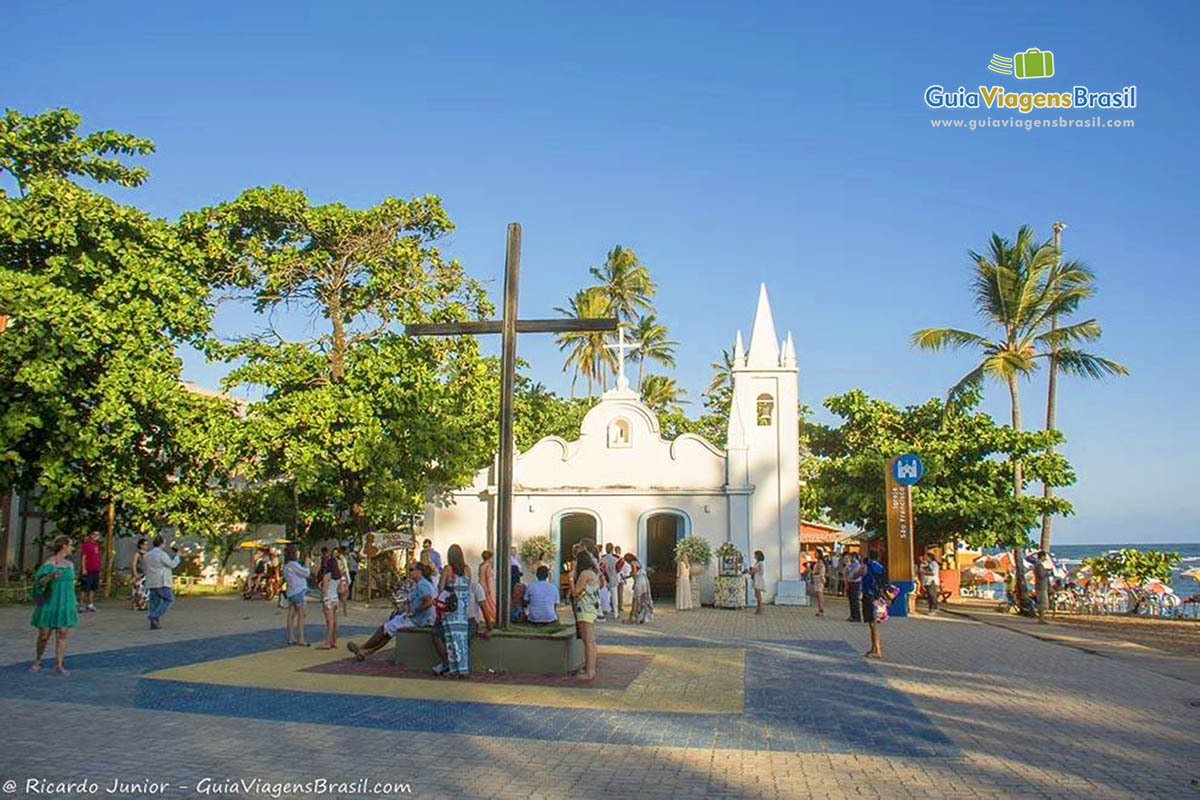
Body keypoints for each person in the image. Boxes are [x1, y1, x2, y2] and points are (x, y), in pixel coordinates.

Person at [348, 563, 436, 661]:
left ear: (419, 572)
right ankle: (367, 651)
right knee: (390, 631)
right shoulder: (423, 583)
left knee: (385, 628)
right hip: (422, 618)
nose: (409, 572)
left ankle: (363, 647)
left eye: (411, 570)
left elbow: (428, 602)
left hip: (419, 619)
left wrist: (413, 611)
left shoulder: (422, 584)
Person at [30, 535, 79, 674]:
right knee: (44, 635)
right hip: (49, 602)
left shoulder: (70, 565)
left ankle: (59, 664)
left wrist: (73, 602)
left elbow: (71, 586)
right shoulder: (49, 563)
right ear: (63, 546)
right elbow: (39, 583)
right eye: (70, 545)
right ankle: (38, 659)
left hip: (65, 602)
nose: (72, 548)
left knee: (62, 633)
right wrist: (50, 576)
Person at [433, 544, 471, 678]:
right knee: (462, 639)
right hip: (463, 609)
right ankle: (464, 669)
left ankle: (454, 670)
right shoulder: (467, 570)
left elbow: (441, 587)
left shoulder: (448, 569)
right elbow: (468, 587)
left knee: (451, 639)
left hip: (450, 609)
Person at [571, 548, 601, 680]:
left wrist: (571, 579)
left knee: (588, 641)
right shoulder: (593, 573)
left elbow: (575, 592)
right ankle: (590, 668)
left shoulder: (584, 574)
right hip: (591, 608)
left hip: (585, 609)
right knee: (590, 641)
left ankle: (590, 671)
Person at [143, 536, 181, 630]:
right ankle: (154, 616)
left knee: (154, 602)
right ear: (162, 544)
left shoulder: (147, 555)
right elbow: (172, 565)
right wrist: (177, 557)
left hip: (151, 581)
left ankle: (154, 622)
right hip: (162, 581)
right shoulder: (162, 554)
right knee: (169, 599)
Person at [282, 544, 311, 646]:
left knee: (291, 615)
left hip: (291, 592)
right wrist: (307, 564)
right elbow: (306, 573)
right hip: (299, 592)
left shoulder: (286, 566)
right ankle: (301, 638)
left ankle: (291, 637)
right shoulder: (293, 564)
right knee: (301, 615)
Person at [862, 550, 887, 659]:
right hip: (878, 596)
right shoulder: (881, 567)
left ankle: (877, 648)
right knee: (875, 622)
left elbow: (857, 574)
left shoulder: (867, 566)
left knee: (872, 624)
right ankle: (874, 647)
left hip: (868, 595)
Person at [315, 547, 341, 649]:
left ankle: (328, 642)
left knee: (329, 622)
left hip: (328, 599)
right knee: (335, 621)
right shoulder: (338, 576)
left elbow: (324, 590)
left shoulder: (327, 576)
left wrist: (320, 586)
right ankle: (334, 641)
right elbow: (339, 589)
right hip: (335, 598)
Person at [78, 530, 102, 613]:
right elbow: (83, 557)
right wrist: (83, 568)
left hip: (96, 569)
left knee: (93, 587)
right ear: (91, 535)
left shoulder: (97, 545)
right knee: (85, 587)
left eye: (97, 535)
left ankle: (90, 604)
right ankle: (81, 605)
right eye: (94, 534)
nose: (96, 536)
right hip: (88, 569)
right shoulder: (86, 544)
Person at [628, 555, 654, 624]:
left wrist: (629, 575)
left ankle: (633, 617)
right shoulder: (638, 562)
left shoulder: (632, 563)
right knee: (644, 598)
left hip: (639, 581)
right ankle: (643, 617)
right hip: (645, 580)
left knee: (636, 599)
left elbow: (634, 573)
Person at [600, 543, 620, 620]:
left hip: (605, 579)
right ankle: (616, 613)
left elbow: (601, 569)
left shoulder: (602, 558)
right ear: (612, 549)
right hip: (614, 579)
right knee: (614, 597)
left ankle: (603, 611)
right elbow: (618, 569)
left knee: (604, 596)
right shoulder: (616, 559)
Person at [478, 550, 497, 627]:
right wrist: (489, 588)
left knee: (484, 602)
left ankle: (483, 616)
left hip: (481, 585)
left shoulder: (481, 565)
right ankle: (492, 617)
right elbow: (488, 577)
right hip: (487, 586)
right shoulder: (488, 566)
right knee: (491, 603)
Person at [130, 538, 150, 611]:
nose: (146, 546)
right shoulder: (137, 554)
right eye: (144, 544)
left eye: (147, 544)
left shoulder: (147, 553)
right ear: (140, 545)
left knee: (145, 591)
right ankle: (136, 605)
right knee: (138, 590)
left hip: (146, 574)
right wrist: (135, 574)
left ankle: (143, 605)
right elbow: (133, 564)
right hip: (139, 574)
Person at [845, 552, 864, 622]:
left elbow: (853, 574)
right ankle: (852, 615)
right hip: (850, 582)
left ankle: (856, 616)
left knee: (854, 599)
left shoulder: (857, 565)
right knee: (851, 600)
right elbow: (846, 572)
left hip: (855, 583)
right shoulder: (851, 565)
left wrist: (849, 572)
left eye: (851, 557)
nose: (850, 558)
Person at [1034, 550, 1050, 623]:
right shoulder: (1039, 565)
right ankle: (1041, 618)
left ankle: (1041, 618)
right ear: (1042, 556)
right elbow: (1041, 576)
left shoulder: (1037, 565)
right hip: (1041, 586)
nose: (1045, 558)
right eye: (1044, 557)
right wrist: (1046, 573)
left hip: (1040, 585)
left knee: (1041, 602)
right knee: (1043, 602)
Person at [334, 546, 351, 616]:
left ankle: (343, 610)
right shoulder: (341, 559)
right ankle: (342, 610)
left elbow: (344, 570)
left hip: (341, 578)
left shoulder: (341, 559)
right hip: (338, 579)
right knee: (339, 596)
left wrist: (347, 580)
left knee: (342, 596)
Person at [810, 549, 827, 617]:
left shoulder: (820, 562)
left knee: (820, 595)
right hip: (816, 580)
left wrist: (814, 573)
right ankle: (820, 608)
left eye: (816, 553)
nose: (815, 554)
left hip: (819, 579)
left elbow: (821, 572)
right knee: (818, 595)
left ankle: (821, 609)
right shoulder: (818, 562)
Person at [750, 550, 766, 614]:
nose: (754, 556)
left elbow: (761, 572)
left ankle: (759, 607)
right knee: (756, 594)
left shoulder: (760, 563)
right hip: (755, 578)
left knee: (758, 594)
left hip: (758, 579)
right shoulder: (756, 563)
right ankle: (758, 606)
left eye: (755, 555)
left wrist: (754, 570)